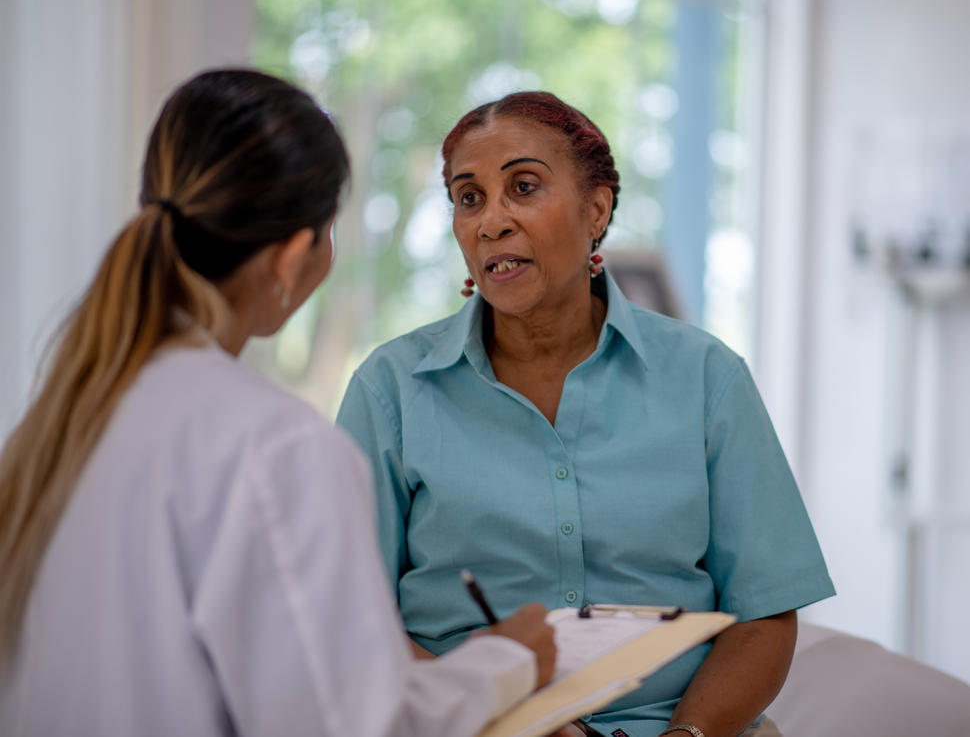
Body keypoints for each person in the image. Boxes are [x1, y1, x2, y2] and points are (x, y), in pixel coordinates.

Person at [0, 69, 558, 737]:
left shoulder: (62, 423)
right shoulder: (273, 446)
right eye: (469, 197)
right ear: (295, 256)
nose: (493, 222)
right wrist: (504, 664)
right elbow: (354, 726)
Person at [336, 91, 837, 737]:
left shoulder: (707, 377)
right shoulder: (392, 389)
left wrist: (688, 736)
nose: (492, 222)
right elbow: (351, 619)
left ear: (596, 209)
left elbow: (764, 615)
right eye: (470, 198)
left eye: (523, 187)